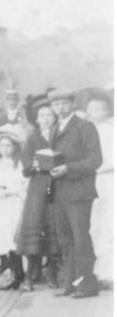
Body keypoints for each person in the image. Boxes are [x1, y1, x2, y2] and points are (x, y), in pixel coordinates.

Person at [47, 91, 103, 298]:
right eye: (56, 104)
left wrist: (67, 169)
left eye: (64, 103)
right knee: (66, 239)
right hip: (60, 192)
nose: (60, 108)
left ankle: (87, 285)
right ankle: (70, 283)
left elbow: (95, 160)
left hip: (79, 192)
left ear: (72, 104)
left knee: (80, 238)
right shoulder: (55, 128)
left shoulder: (84, 127)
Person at [17, 102, 62, 290]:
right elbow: (25, 167)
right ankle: (29, 276)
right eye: (42, 116)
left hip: (56, 185)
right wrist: (34, 165)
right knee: (35, 225)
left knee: (53, 225)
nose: (46, 119)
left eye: (49, 115)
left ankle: (52, 274)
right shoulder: (33, 139)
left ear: (55, 118)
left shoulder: (61, 137)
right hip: (38, 186)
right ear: (37, 119)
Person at [0, 127, 29, 290]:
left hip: (14, 203)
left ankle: (21, 274)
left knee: (14, 237)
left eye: (9, 146)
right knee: (3, 236)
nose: (5, 149)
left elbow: (23, 185)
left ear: (15, 147)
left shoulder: (19, 165)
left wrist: (9, 191)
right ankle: (14, 272)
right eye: (2, 146)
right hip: (0, 204)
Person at [86, 95, 113, 288]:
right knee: (91, 225)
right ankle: (91, 272)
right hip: (87, 182)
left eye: (100, 109)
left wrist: (96, 168)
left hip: (107, 180)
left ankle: (108, 273)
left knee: (108, 225)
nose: (96, 113)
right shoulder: (84, 131)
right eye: (92, 109)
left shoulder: (112, 131)